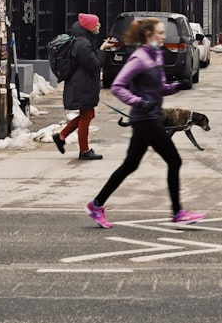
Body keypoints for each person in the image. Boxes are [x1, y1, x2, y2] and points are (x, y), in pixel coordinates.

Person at [85, 17, 206, 229]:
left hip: (150, 117)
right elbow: (118, 87)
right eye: (160, 33)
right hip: (145, 119)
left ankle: (96, 205)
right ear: (148, 35)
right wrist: (140, 102)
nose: (163, 36)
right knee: (174, 161)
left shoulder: (155, 55)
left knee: (129, 165)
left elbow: (159, 88)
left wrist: (178, 85)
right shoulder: (139, 58)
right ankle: (177, 212)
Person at [52, 13, 116, 160]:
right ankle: (84, 150)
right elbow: (95, 65)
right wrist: (103, 49)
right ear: (90, 27)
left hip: (82, 83)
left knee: (88, 114)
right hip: (81, 85)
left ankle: (61, 136)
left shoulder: (83, 41)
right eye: (97, 24)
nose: (99, 26)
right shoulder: (83, 44)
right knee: (87, 116)